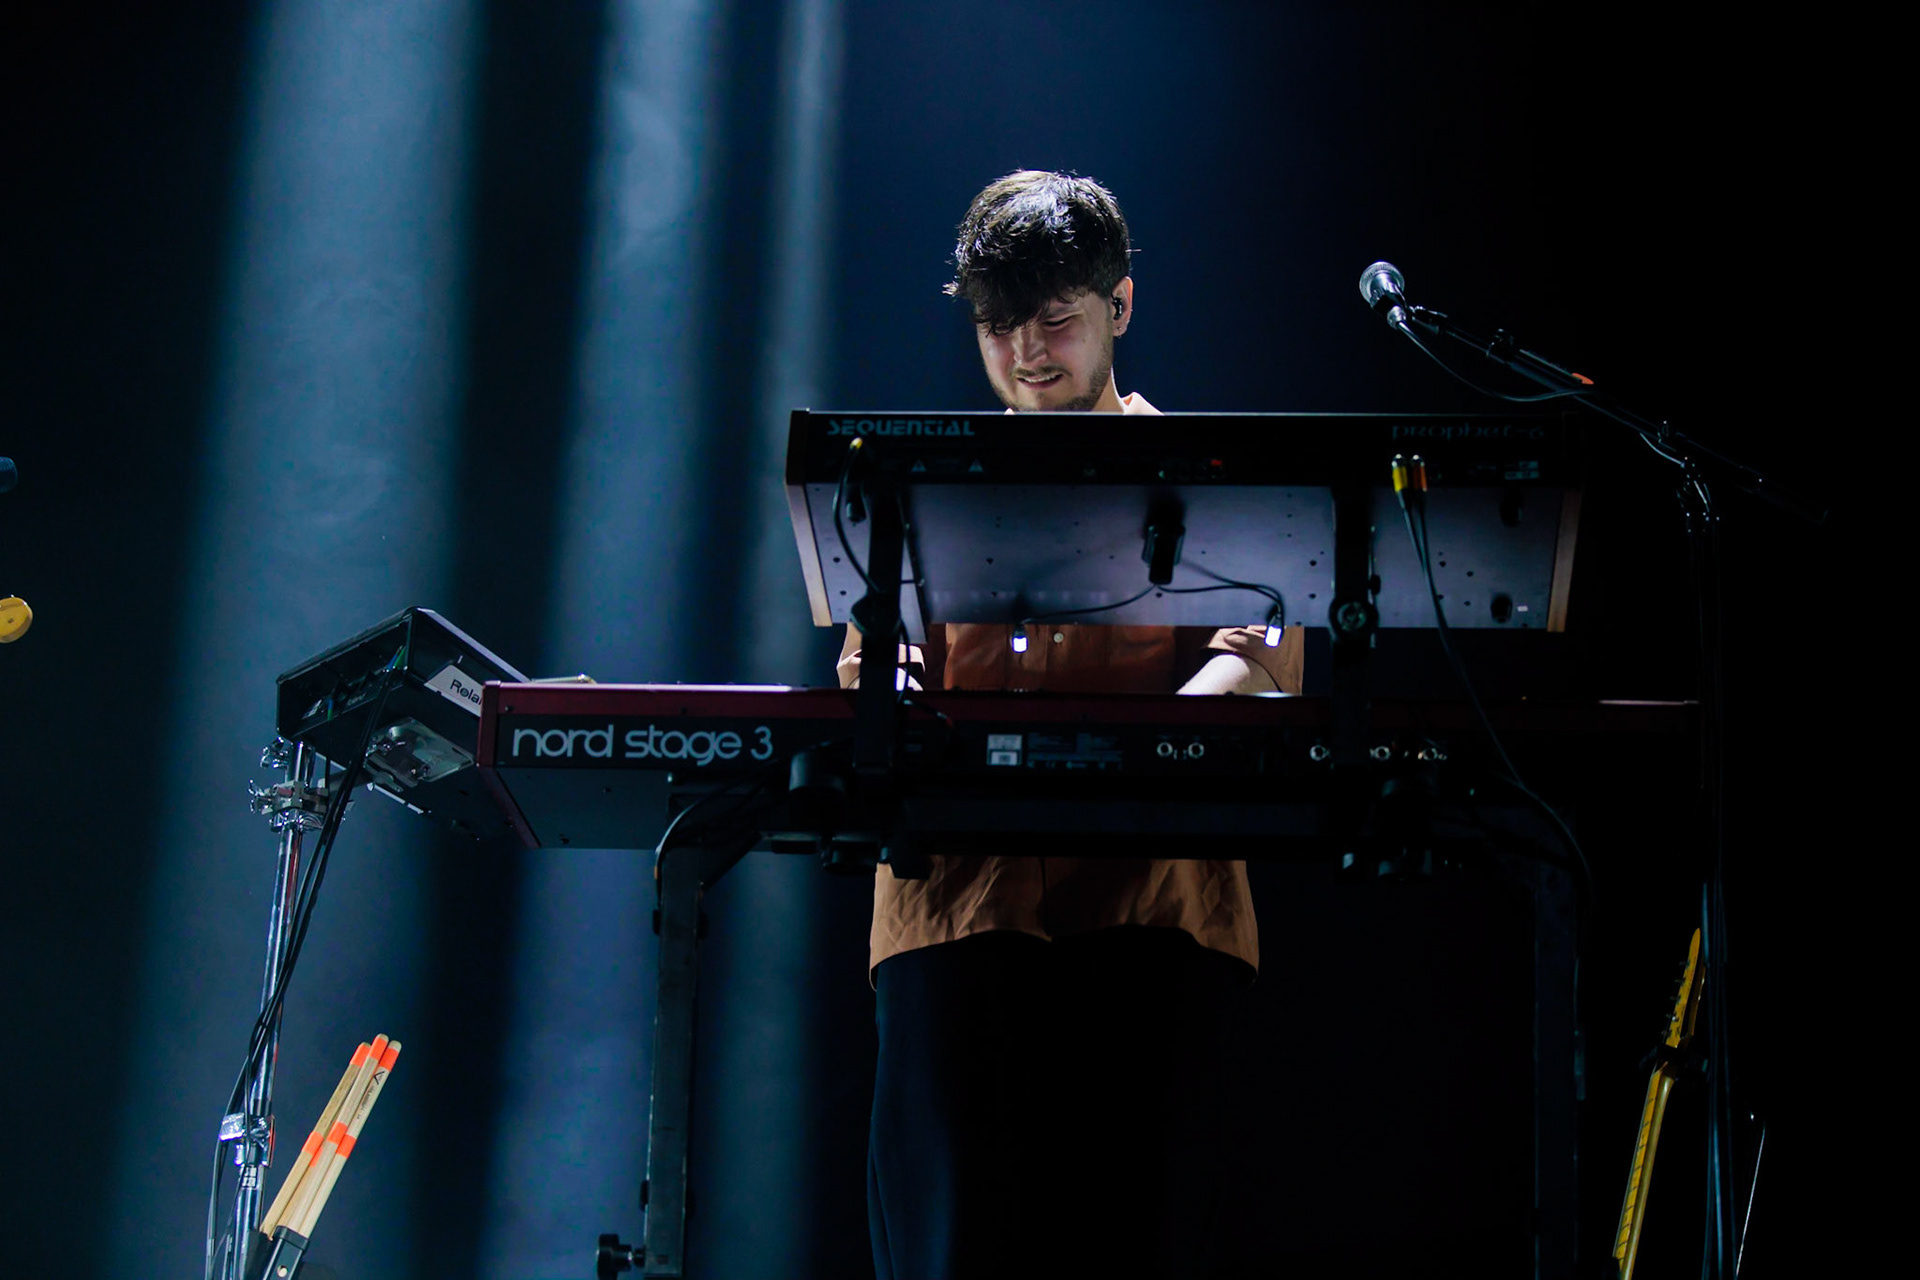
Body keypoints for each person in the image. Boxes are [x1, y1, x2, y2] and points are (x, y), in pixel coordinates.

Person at [840, 171, 1302, 1279]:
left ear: (1121, 307)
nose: (1028, 350)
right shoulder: (920, 486)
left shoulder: (1217, 481)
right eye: (1000, 325)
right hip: (955, 909)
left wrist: (1142, 752)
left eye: (1057, 316)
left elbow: (1267, 658)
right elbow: (875, 654)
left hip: (1154, 911)